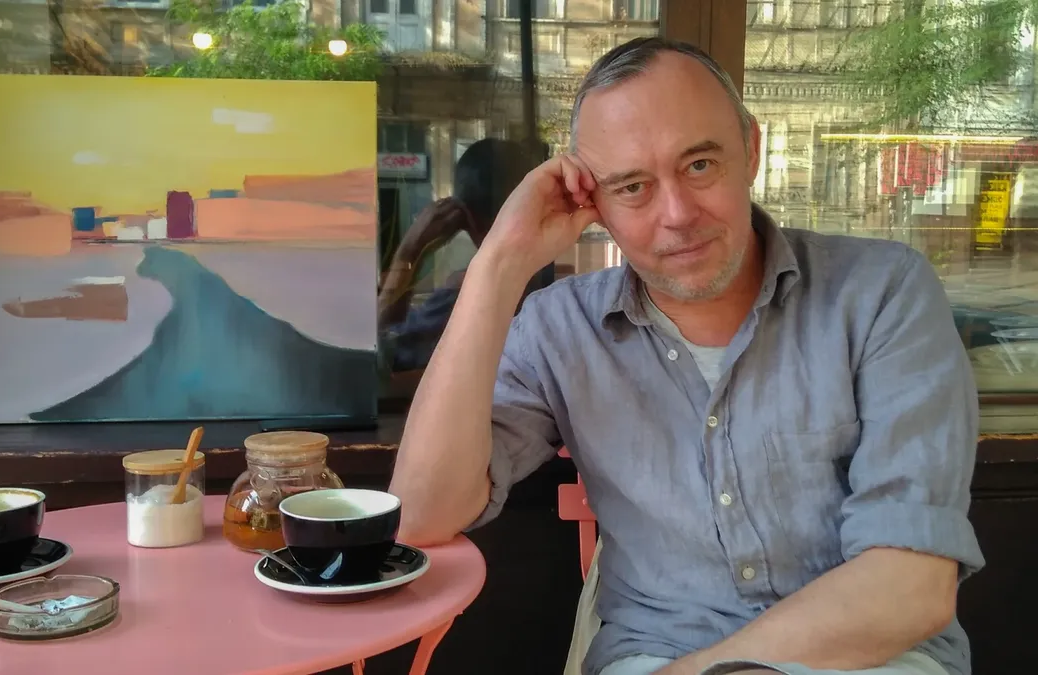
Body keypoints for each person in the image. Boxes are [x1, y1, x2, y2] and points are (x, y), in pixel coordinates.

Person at [387, 36, 984, 675]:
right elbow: (421, 514)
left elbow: (910, 585)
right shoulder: (562, 329)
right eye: (631, 187)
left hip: (869, 659)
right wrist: (499, 264)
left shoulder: (881, 292)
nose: (677, 215)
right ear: (593, 204)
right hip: (653, 650)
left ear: (751, 149)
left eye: (699, 165)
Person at [378, 138, 534, 372]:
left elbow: (380, 354)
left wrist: (410, 250)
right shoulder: (546, 284)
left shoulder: (465, 294)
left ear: (463, 216)